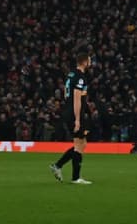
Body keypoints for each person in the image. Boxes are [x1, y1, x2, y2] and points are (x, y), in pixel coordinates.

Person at [50, 53, 93, 185]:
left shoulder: (71, 74)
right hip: (75, 113)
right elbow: (76, 98)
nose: (90, 61)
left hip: (68, 111)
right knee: (79, 144)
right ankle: (75, 177)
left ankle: (58, 166)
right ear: (84, 62)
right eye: (89, 59)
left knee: (81, 143)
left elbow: (65, 93)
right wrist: (78, 119)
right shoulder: (80, 77)